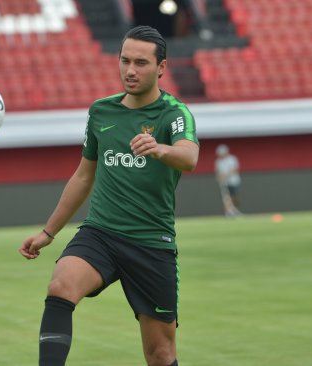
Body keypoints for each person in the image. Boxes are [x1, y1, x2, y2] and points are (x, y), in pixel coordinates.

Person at [19, 25, 199, 366]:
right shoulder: (101, 112)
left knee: (160, 354)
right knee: (61, 286)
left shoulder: (174, 113)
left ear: (161, 67)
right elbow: (83, 176)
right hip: (100, 233)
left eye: (141, 63)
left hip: (151, 243)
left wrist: (160, 149)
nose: (130, 70)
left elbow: (189, 157)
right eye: (125, 60)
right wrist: (48, 233)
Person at [214, 144, 242, 216]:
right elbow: (217, 172)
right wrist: (220, 178)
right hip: (224, 183)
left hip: (234, 181)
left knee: (234, 197)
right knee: (226, 198)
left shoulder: (232, 159)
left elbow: (235, 169)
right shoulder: (218, 162)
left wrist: (226, 175)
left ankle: (233, 210)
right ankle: (228, 212)